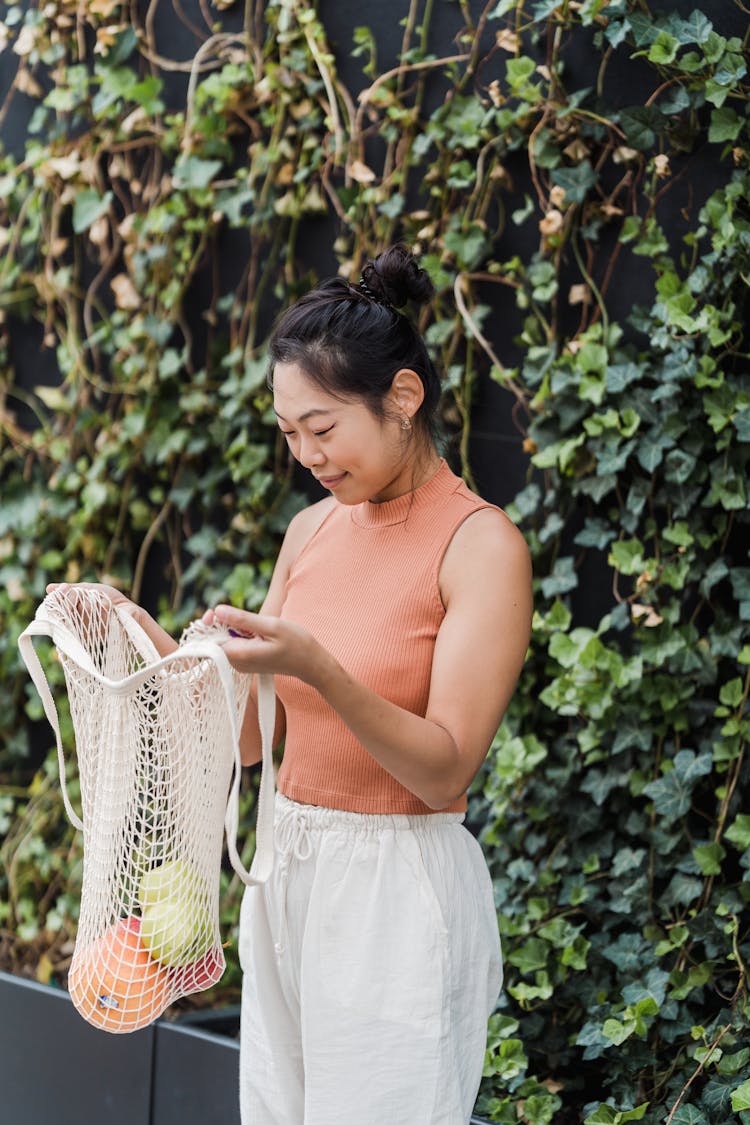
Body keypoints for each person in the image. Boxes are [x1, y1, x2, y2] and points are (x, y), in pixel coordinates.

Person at [51, 244, 532, 1124]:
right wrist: (136, 634)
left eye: (322, 427)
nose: (304, 452)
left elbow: (445, 770)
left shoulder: (481, 546)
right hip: (287, 867)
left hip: (395, 888)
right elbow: (245, 738)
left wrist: (315, 665)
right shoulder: (311, 529)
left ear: (403, 399)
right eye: (287, 431)